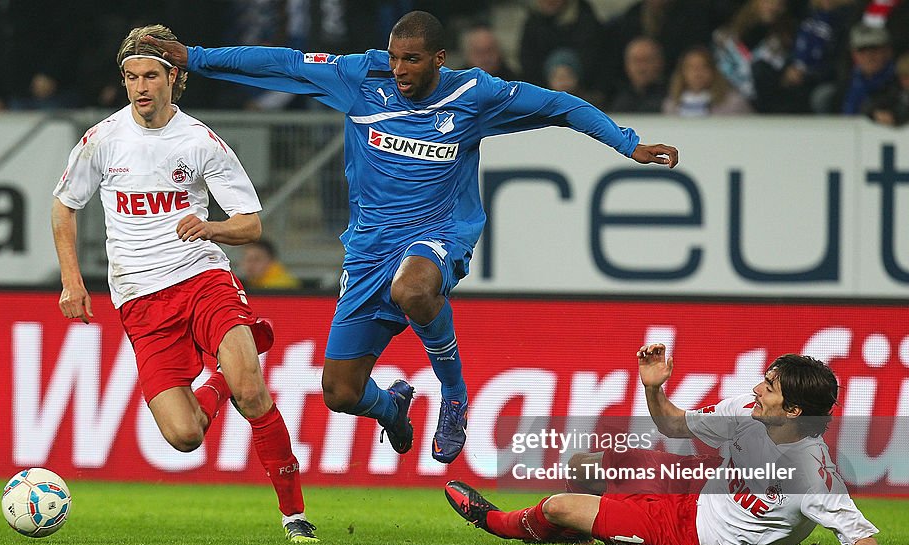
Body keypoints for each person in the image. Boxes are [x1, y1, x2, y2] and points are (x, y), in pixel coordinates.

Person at [142, 11, 679, 464]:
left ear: (439, 59)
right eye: (394, 56)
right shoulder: (359, 77)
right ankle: (392, 408)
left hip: (439, 233)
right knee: (340, 392)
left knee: (415, 289)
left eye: (412, 60)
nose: (398, 69)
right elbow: (280, 63)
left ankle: (454, 393)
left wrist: (626, 144)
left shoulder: (475, 93)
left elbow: (562, 105)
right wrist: (196, 57)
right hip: (369, 249)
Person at [51, 24, 318, 543]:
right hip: (138, 299)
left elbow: (251, 223)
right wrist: (71, 280)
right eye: (131, 77)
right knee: (184, 436)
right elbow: (64, 205)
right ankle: (221, 373)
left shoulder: (199, 142)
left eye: (151, 75)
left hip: (201, 278)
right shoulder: (103, 139)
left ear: (173, 77)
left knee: (251, 390)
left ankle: (295, 516)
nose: (140, 87)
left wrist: (212, 227)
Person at [446, 344, 881, 545]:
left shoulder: (812, 472)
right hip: (690, 486)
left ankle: (497, 521)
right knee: (582, 465)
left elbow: (865, 543)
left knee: (559, 506)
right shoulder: (747, 412)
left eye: (768, 387)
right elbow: (672, 423)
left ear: (793, 410)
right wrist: (654, 388)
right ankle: (583, 532)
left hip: (691, 534)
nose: (755, 390)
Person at [662, 45, 753, 115]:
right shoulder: (671, 106)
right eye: (691, 67)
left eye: (703, 67)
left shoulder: (734, 104)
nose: (697, 73)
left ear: (713, 71)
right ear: (682, 73)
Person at [609, 36, 668, 113]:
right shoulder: (615, 96)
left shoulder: (672, 96)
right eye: (635, 61)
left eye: (646, 60)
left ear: (660, 62)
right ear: (626, 65)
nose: (641, 68)